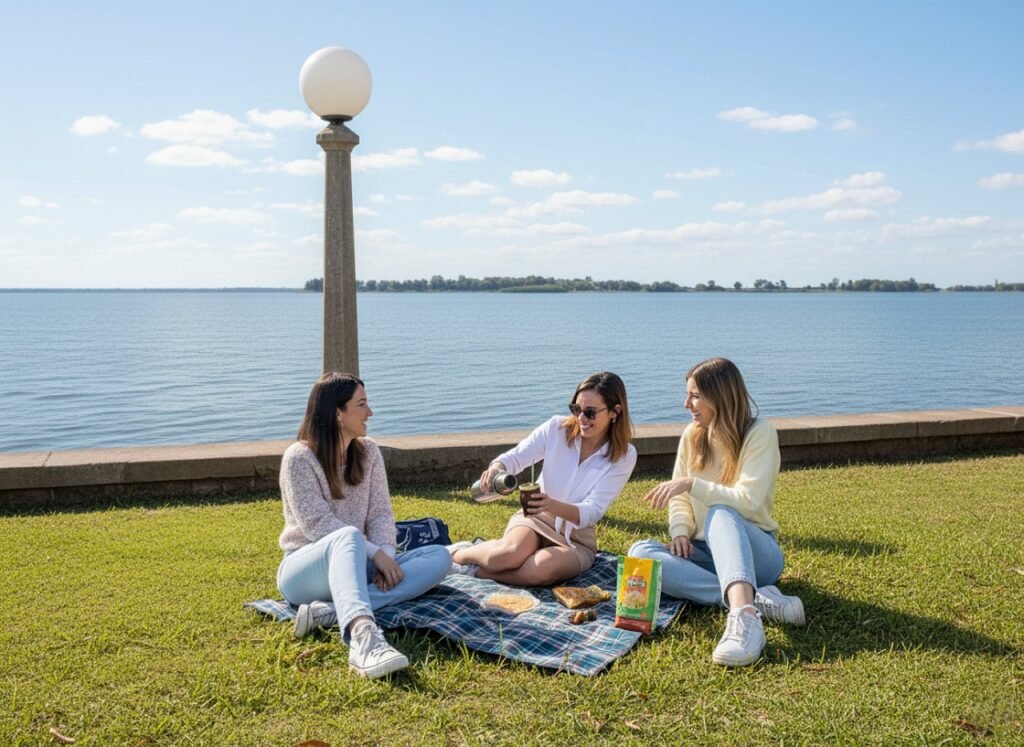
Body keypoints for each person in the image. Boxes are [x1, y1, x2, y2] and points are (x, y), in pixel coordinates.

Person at [629, 357, 805, 667]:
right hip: (705, 552)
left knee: (721, 512)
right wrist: (680, 531)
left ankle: (744, 620)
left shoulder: (759, 433)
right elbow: (678, 498)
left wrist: (693, 484)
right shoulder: (691, 435)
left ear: (719, 396)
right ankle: (755, 599)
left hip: (758, 553)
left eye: (695, 395)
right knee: (640, 553)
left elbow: (748, 500)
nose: (687, 404)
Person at [276, 372, 452, 679]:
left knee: (440, 558)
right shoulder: (299, 458)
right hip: (304, 572)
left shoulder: (368, 452)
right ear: (337, 413)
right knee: (347, 535)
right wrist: (376, 554)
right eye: (362, 404)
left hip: (360, 564)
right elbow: (318, 525)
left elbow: (381, 514)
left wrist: (387, 556)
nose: (370, 412)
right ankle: (363, 638)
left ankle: (330, 612)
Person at [450, 371, 637, 585]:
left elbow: (592, 511)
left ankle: (476, 574)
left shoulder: (624, 455)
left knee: (540, 570)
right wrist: (497, 467)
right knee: (505, 556)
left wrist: (550, 505)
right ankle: (459, 554)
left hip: (575, 539)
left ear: (615, 412)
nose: (581, 418)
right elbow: (517, 457)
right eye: (576, 409)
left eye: (590, 412)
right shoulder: (556, 428)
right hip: (534, 518)